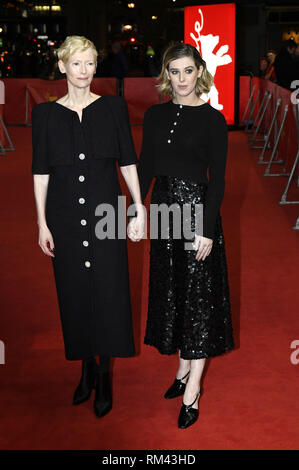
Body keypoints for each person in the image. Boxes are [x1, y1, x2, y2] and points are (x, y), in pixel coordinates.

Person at [31, 35, 144, 419]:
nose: (84, 71)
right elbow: (40, 173)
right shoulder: (45, 115)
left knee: (110, 290)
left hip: (106, 212)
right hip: (63, 215)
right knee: (75, 290)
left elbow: (128, 160)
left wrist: (139, 207)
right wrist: (41, 221)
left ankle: (104, 372)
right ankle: (84, 366)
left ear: (97, 66)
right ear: (62, 66)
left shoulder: (112, 108)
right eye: (76, 64)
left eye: (90, 63)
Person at [131, 42, 234, 429]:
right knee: (173, 291)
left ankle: (193, 389)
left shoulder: (213, 120)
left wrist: (206, 230)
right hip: (163, 212)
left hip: (196, 215)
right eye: (174, 72)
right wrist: (135, 208)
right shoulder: (155, 116)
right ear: (166, 75)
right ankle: (181, 369)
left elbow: (219, 182)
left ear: (199, 72)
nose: (181, 79)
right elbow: (145, 168)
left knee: (199, 300)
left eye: (188, 71)